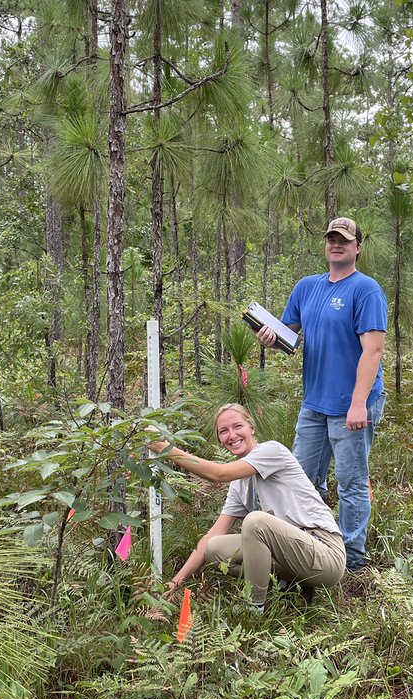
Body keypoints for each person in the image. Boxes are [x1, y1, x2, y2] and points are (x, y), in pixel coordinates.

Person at [253, 216, 386, 572]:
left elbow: (373, 351)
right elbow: (288, 336)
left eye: (344, 239)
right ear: (325, 245)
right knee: (298, 478)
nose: (336, 244)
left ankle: (351, 561)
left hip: (352, 405)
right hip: (314, 403)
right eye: (331, 239)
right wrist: (270, 337)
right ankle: (309, 546)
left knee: (352, 484)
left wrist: (359, 404)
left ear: (358, 247)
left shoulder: (366, 289)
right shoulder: (306, 287)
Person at [148, 403, 346, 611]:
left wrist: (165, 448)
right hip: (292, 554)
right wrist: (175, 583)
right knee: (214, 549)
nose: (232, 435)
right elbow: (212, 534)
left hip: (325, 553)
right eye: (223, 431)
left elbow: (218, 474)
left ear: (251, 427)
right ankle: (293, 586)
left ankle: (254, 608)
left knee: (255, 522)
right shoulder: (239, 484)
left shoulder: (272, 451)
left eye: (237, 426)